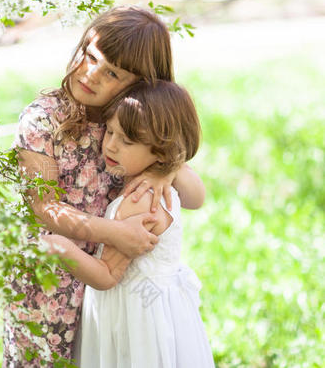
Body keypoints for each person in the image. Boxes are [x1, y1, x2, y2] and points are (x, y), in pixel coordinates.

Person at [3, 6, 205, 366]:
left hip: (116, 297)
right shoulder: (43, 119)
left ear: (141, 83)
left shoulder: (133, 125)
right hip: (52, 284)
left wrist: (167, 169)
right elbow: (42, 206)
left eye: (111, 71)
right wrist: (113, 232)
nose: (91, 74)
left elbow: (196, 197)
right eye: (90, 56)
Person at [43, 80, 215, 367]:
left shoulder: (139, 200)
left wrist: (58, 246)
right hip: (160, 311)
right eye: (110, 131)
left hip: (136, 317)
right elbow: (197, 198)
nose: (110, 145)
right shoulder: (152, 186)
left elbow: (107, 275)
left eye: (127, 140)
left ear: (161, 152)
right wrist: (170, 168)